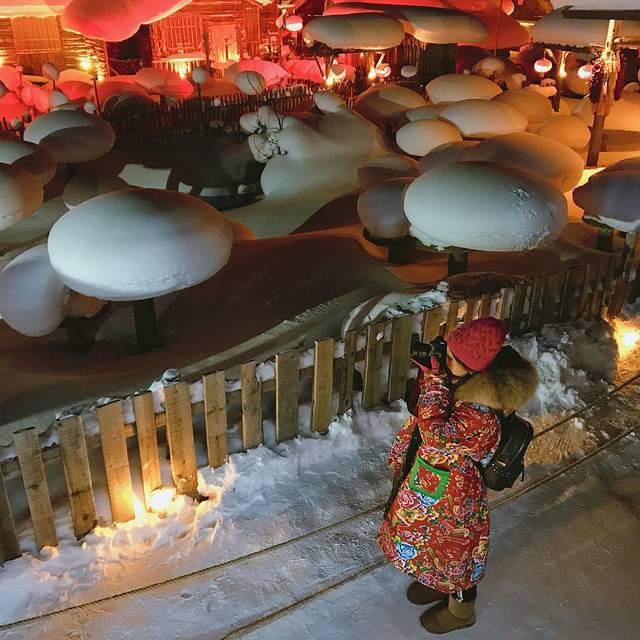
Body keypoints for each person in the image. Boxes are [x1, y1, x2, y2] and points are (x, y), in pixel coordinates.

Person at [377, 317, 538, 634]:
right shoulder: (464, 379)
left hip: (455, 494)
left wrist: (436, 381)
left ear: (474, 368)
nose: (445, 361)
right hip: (435, 482)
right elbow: (419, 406)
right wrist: (434, 375)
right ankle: (438, 582)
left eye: (451, 359)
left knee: (456, 550)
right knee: (430, 540)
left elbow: (435, 435)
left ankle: (461, 611)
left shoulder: (482, 410)